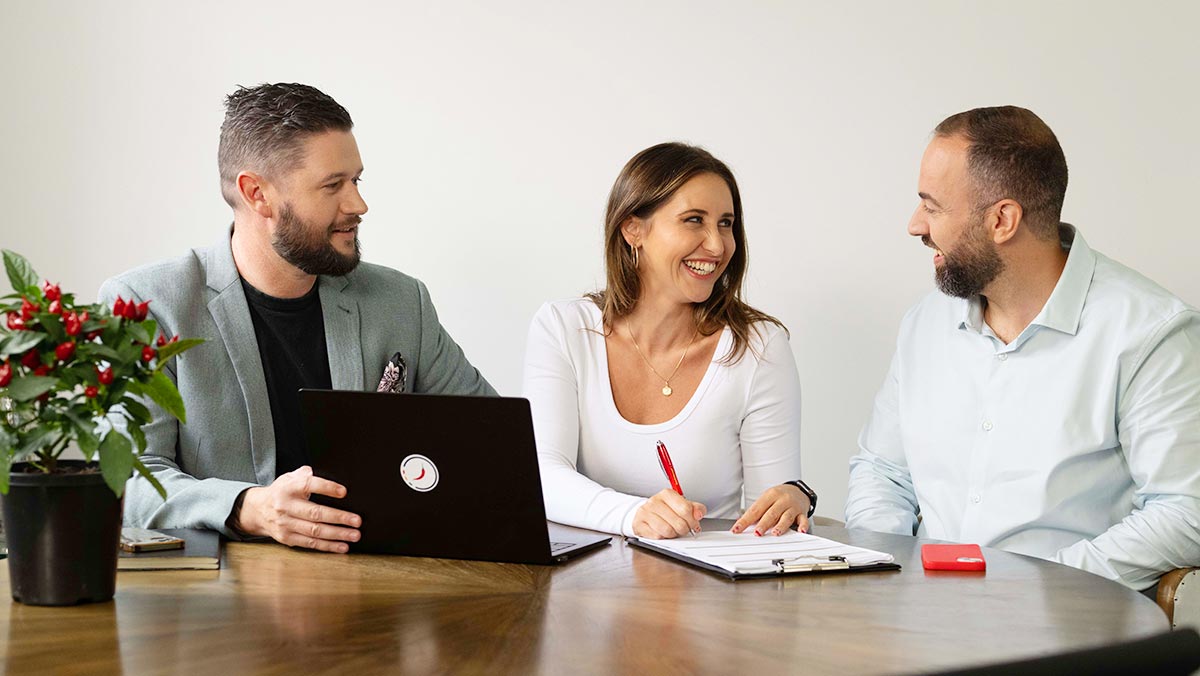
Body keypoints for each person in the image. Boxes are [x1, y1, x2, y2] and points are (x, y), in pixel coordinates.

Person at [99, 83, 495, 553]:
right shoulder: (146, 304)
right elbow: (128, 477)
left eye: (357, 181)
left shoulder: (401, 300)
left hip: (382, 584)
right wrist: (251, 508)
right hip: (222, 600)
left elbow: (491, 444)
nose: (358, 205)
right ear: (257, 194)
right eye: (333, 185)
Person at [845, 106, 1200, 590]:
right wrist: (889, 570)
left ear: (1002, 220)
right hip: (922, 621)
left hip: (1070, 634)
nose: (914, 224)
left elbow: (1185, 511)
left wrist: (1040, 590)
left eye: (932, 206)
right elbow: (882, 471)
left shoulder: (1149, 333)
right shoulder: (925, 324)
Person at [524, 142, 815, 540]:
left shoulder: (759, 347)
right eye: (694, 220)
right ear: (633, 229)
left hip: (708, 591)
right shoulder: (563, 328)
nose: (717, 245)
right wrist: (635, 515)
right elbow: (542, 476)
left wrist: (790, 503)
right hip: (584, 589)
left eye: (726, 223)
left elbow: (766, 522)